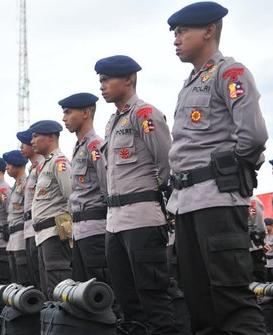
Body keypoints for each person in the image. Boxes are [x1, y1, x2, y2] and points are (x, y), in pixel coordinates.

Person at [166, 2, 268, 333]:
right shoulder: (190, 83)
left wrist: (228, 171)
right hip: (187, 203)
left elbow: (252, 136)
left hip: (218, 201)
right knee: (199, 302)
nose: (176, 40)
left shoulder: (230, 73)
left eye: (182, 32)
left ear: (209, 31)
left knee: (231, 300)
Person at [96, 54, 177, 334]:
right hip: (114, 222)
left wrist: (157, 195)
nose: (102, 86)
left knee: (153, 296)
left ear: (128, 79)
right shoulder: (112, 122)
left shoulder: (145, 114)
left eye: (107, 79)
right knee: (127, 300)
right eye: (101, 80)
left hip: (142, 218)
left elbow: (167, 162)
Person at [60, 92, 112, 286]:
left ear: (85, 113)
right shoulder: (79, 147)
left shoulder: (95, 145)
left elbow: (107, 184)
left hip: (96, 229)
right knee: (84, 291)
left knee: (100, 289)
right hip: (81, 231)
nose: (64, 118)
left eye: (68, 112)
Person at [29, 120, 73, 299]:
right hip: (43, 235)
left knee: (58, 286)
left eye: (36, 136)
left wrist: (69, 230)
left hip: (55, 233)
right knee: (48, 288)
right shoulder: (45, 165)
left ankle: (64, 325)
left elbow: (71, 196)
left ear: (50, 137)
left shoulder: (59, 162)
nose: (32, 141)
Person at [19, 127, 44, 289]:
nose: (21, 148)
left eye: (23, 144)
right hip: (29, 227)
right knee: (34, 273)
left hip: (40, 226)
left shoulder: (43, 165)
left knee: (43, 274)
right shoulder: (33, 169)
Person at [3, 149, 31, 284]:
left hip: (22, 237)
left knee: (24, 280)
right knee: (16, 281)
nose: (6, 167)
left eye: (9, 164)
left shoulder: (26, 183)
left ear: (17, 164)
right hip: (13, 239)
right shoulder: (15, 186)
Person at [247, 196, 267, 282]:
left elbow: (259, 228)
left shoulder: (252, 201)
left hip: (252, 246)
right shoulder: (250, 200)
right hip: (250, 246)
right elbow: (259, 228)